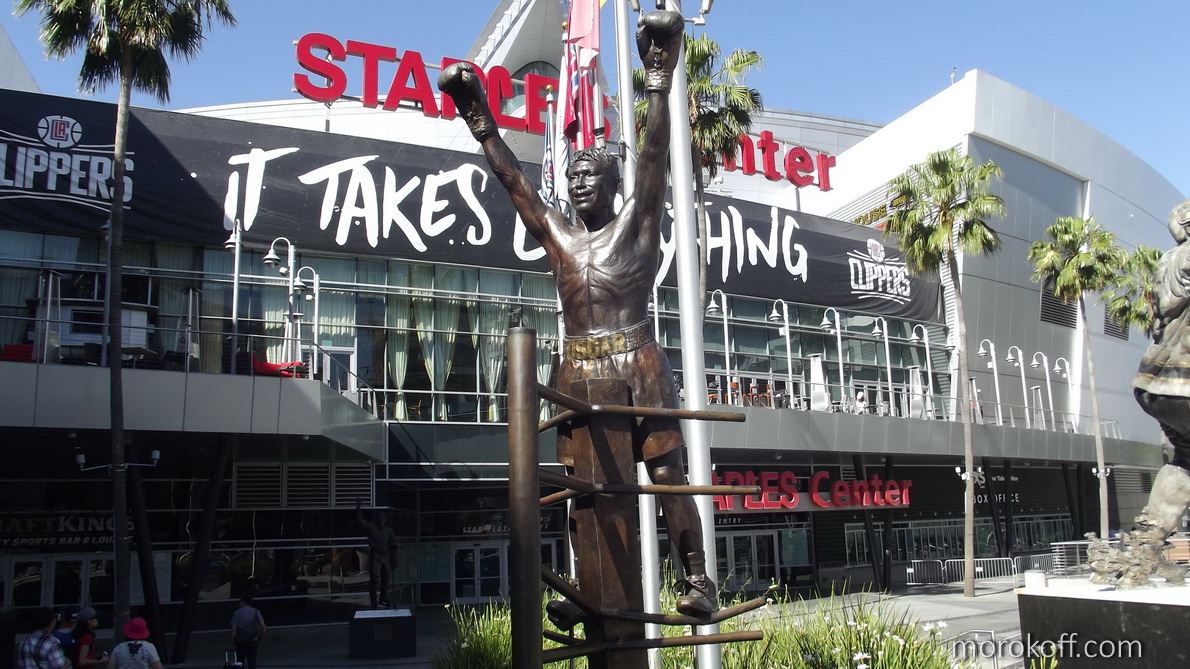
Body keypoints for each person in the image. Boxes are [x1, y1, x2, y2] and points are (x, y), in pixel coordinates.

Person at [437, 10, 716, 616]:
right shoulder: (560, 239)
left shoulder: (636, 225)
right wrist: (478, 116)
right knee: (580, 488)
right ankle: (586, 590)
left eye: (592, 174)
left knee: (667, 476)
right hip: (579, 367)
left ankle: (697, 579)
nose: (581, 181)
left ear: (614, 183)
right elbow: (514, 182)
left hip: (638, 358)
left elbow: (654, 155)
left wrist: (659, 74)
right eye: (574, 175)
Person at [1132, 198, 1190, 537]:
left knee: (1186, 459)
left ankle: (1147, 543)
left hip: (1155, 383)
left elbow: (1158, 320)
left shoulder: (1167, 261)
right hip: (1185, 379)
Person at [355, 500, 398, 607]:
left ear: (385, 520)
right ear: (377, 519)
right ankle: (374, 600)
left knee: (385, 579)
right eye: (379, 518)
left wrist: (394, 558)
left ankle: (384, 597)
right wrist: (358, 508)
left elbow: (392, 545)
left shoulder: (389, 531)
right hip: (376, 556)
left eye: (383, 518)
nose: (381, 519)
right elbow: (360, 520)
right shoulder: (371, 527)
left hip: (386, 557)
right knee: (374, 579)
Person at [230, 595, 266, 669]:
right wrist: (261, 636)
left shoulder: (237, 613)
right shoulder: (256, 611)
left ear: (243, 602)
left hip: (240, 640)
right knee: (252, 661)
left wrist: (233, 640)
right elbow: (263, 627)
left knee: (240, 661)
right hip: (253, 639)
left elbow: (234, 629)